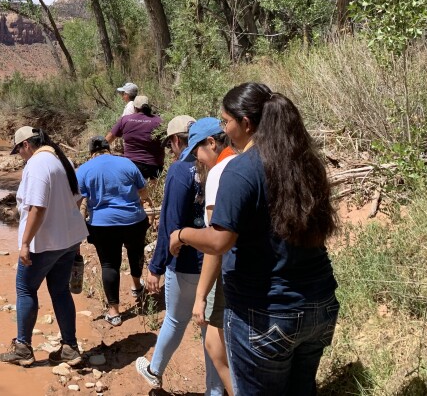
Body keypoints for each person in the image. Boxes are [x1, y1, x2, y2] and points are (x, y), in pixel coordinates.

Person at [169, 83, 339, 396]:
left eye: (225, 121)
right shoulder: (306, 162)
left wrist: (182, 234)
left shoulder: (241, 170)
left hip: (266, 311)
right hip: (320, 304)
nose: (224, 129)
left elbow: (219, 241)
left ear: (246, 123)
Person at [135, 115, 224, 395]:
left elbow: (169, 225)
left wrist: (155, 266)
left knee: (176, 319)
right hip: (216, 258)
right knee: (210, 327)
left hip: (184, 259)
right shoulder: (220, 165)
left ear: (175, 141)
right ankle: (215, 389)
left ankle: (154, 371)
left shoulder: (178, 170)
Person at [0, 126, 89, 368]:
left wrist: (25, 243)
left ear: (26, 144)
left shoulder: (37, 164)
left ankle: (23, 349)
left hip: (44, 242)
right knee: (60, 291)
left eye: (18, 150)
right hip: (67, 240)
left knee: (25, 289)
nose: (19, 156)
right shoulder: (62, 159)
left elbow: (37, 208)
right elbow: (77, 198)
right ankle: (70, 347)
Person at [76, 136, 151, 326]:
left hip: (103, 225)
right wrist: (143, 202)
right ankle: (136, 286)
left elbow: (78, 200)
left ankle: (114, 312)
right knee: (135, 253)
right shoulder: (127, 163)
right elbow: (143, 190)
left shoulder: (84, 169)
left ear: (91, 152)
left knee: (109, 265)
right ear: (108, 149)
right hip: (133, 220)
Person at [187, 117, 236, 396]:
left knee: (216, 346)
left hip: (231, 272)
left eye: (198, 152)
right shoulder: (247, 161)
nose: (199, 160)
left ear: (212, 143)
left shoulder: (220, 173)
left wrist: (201, 295)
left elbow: (215, 241)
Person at [106, 95, 164, 181]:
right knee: (151, 193)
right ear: (149, 107)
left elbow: (110, 137)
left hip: (131, 165)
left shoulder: (125, 120)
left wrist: (99, 151)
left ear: (134, 107)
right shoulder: (158, 121)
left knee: (134, 191)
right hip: (153, 166)